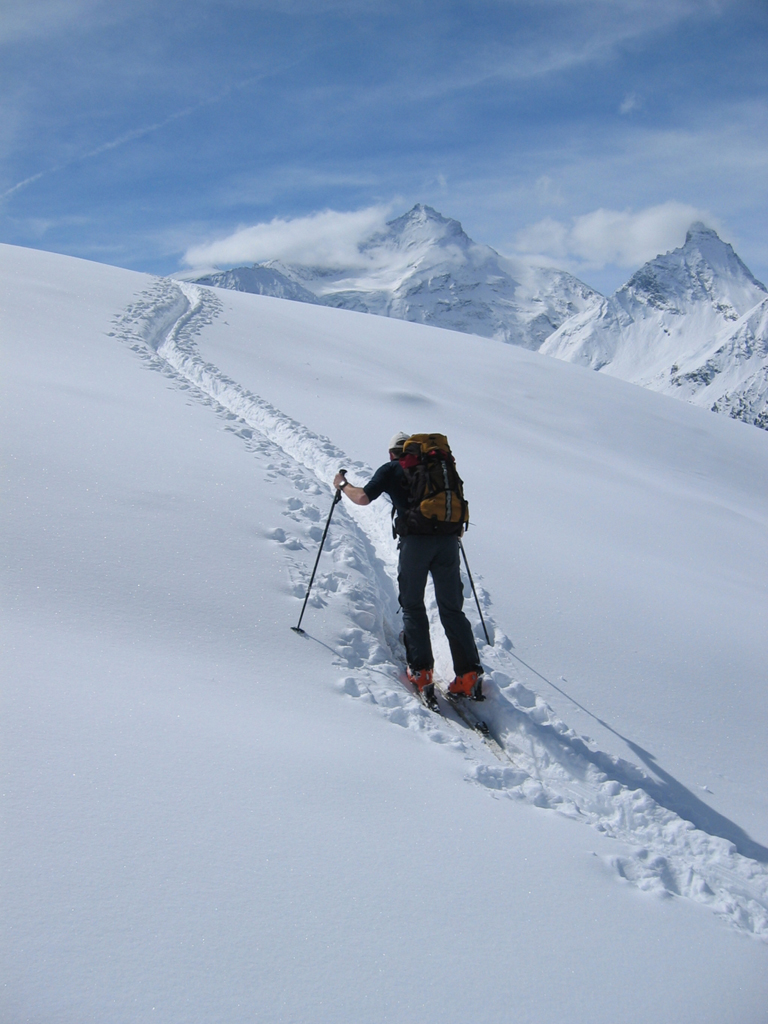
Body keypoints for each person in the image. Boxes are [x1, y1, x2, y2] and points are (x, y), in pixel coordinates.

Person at [333, 432, 483, 705]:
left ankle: (421, 671)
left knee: (413, 605)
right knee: (452, 608)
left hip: (415, 544)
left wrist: (343, 484)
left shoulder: (392, 468)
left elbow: (363, 498)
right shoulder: (437, 468)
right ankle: (468, 675)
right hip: (448, 541)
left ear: (393, 452)